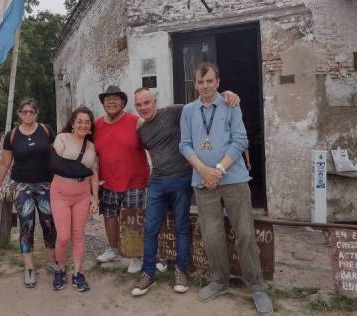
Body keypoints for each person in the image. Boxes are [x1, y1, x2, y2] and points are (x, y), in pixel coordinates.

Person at [179, 62, 273, 316]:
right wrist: (204, 171)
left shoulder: (231, 104)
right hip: (203, 182)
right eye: (200, 82)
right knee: (212, 235)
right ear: (195, 84)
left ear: (218, 82)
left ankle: (256, 286)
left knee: (244, 232)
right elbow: (185, 145)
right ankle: (219, 281)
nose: (205, 86)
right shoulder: (188, 110)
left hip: (233, 178)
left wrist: (218, 170)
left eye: (210, 81)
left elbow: (240, 139)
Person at [131, 87, 239, 297]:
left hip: (181, 179)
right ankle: (148, 273)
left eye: (147, 102)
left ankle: (181, 271)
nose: (144, 108)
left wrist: (226, 94)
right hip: (157, 182)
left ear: (155, 101)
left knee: (181, 226)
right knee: (150, 228)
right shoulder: (142, 131)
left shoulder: (174, 111)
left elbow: (202, 104)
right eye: (139, 105)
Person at [0, 98, 58, 288]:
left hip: (46, 184)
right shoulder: (12, 135)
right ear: (19, 114)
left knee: (49, 222)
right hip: (21, 185)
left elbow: (57, 155)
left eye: (31, 111)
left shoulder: (46, 130)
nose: (28, 114)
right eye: (24, 112)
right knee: (27, 224)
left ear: (36, 113)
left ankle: (51, 261)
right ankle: (29, 267)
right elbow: (5, 163)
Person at [94, 86, 149, 273]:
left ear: (123, 103)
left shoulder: (136, 122)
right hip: (108, 180)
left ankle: (135, 255)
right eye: (107, 99)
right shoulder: (97, 125)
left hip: (134, 179)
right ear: (103, 103)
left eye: (116, 99)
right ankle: (113, 249)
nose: (111, 102)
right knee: (110, 217)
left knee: (132, 217)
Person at [50, 106, 99, 292]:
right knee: (63, 236)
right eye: (79, 121)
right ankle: (60, 269)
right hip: (60, 193)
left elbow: (94, 174)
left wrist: (95, 199)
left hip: (82, 194)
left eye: (87, 122)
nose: (83, 125)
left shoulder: (92, 147)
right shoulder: (62, 139)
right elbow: (54, 164)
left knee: (79, 235)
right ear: (73, 123)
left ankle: (78, 273)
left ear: (91, 125)